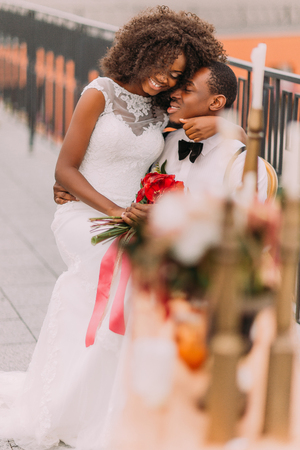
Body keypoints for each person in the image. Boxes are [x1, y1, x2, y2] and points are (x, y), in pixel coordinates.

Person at [0, 6, 226, 450]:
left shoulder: (163, 110)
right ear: (141, 52)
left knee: (136, 284)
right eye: (161, 67)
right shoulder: (98, 93)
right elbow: (65, 170)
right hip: (85, 215)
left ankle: (104, 404)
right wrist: (116, 212)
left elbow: (214, 125)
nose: (164, 80)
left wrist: (220, 122)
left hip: (127, 219)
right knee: (115, 271)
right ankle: (67, 403)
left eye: (175, 75)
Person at [121, 61, 268, 227]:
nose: (174, 94)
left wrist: (168, 219)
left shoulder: (241, 163)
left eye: (187, 90)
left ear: (215, 102)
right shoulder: (165, 141)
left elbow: (244, 231)